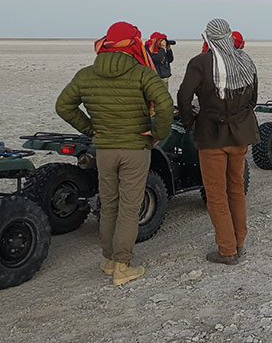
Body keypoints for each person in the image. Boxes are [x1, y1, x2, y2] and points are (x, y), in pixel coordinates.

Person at [56, 21, 173, 285]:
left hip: (104, 149)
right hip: (135, 149)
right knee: (130, 207)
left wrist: (90, 129)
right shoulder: (142, 73)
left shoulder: (86, 74)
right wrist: (158, 134)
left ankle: (108, 260)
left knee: (108, 205)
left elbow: (63, 106)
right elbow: (165, 103)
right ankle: (122, 265)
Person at [178, 19, 259, 265]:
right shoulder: (245, 60)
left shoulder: (200, 63)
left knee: (216, 194)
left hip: (211, 135)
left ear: (208, 39)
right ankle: (239, 241)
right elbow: (253, 99)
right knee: (235, 188)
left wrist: (191, 120)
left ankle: (227, 250)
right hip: (239, 135)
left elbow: (184, 96)